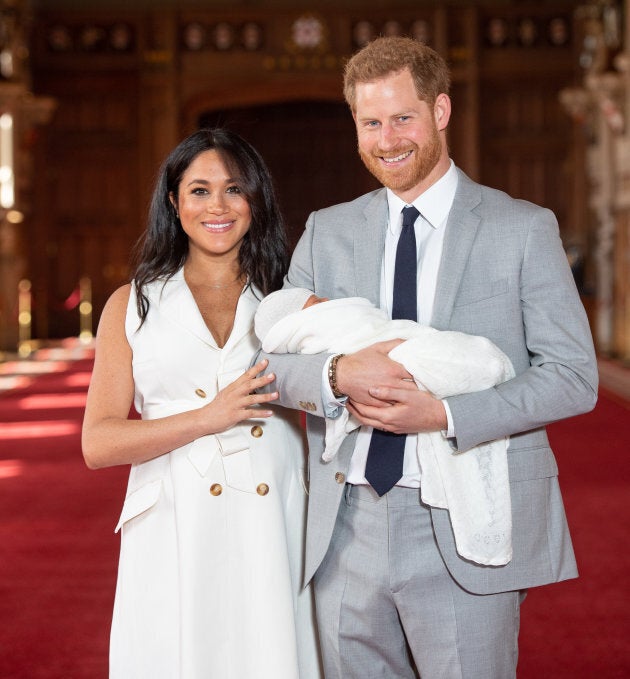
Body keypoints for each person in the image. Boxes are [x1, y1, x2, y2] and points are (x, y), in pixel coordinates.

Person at [261, 37, 598, 678]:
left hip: (463, 517)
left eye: (402, 117)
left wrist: (443, 413)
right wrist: (337, 374)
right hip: (344, 523)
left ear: (440, 111)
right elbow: (271, 362)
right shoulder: (327, 231)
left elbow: (574, 377)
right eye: (369, 122)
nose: (387, 139)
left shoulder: (521, 227)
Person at [81, 128, 322, 679]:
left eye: (234, 189)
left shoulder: (291, 298)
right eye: (199, 190)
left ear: (255, 199)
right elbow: (99, 443)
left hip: (275, 517)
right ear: (173, 200)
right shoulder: (133, 303)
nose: (218, 206)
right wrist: (206, 418)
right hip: (172, 521)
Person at [255, 287, 515, 567]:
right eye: (318, 304)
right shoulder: (317, 248)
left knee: (472, 361)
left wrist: (445, 414)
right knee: (459, 362)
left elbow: (566, 371)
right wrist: (338, 374)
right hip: (347, 510)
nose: (328, 302)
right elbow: (266, 368)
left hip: (439, 497)